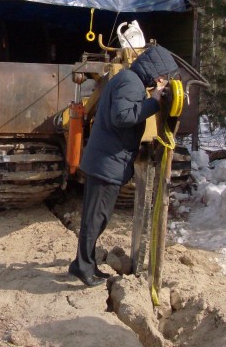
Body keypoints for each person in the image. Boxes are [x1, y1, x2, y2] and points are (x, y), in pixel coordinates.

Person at [68, 45, 178, 287]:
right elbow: (123, 117)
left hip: (107, 161)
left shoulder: (129, 79)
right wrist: (153, 103)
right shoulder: (131, 83)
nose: (162, 81)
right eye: (163, 76)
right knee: (95, 218)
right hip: (106, 163)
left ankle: (85, 264)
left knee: (98, 217)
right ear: (154, 70)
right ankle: (82, 267)